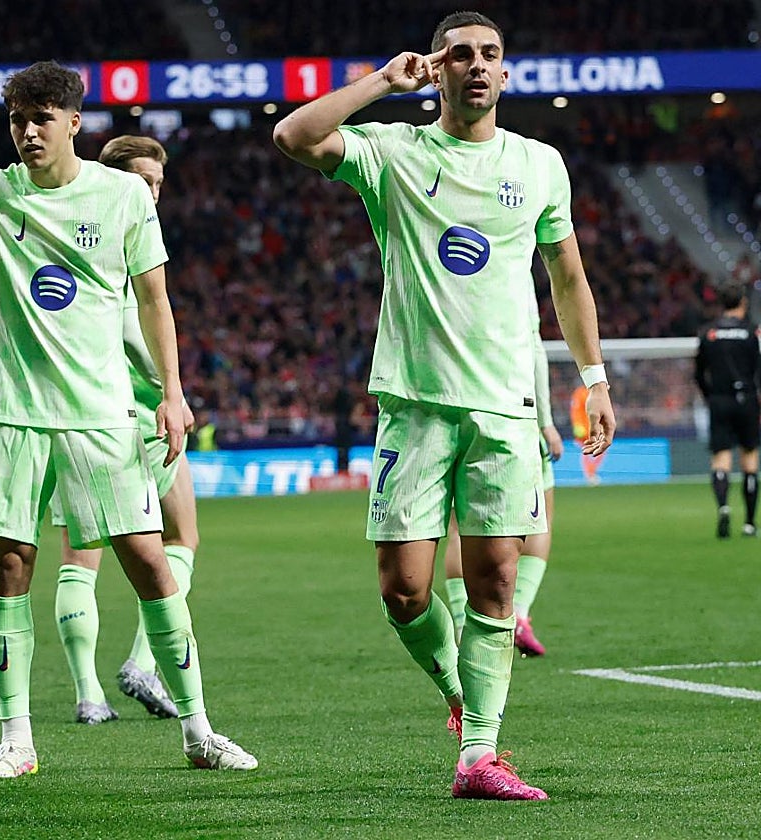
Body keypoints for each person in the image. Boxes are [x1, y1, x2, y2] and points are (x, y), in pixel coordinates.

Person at [274, 10, 615, 800]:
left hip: (503, 405)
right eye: (460, 54)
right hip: (416, 403)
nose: (477, 66)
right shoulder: (395, 151)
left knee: (496, 580)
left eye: (491, 54)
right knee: (404, 589)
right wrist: (380, 84)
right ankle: (462, 699)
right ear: (439, 68)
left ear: (506, 70)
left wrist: (594, 377)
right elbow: (294, 136)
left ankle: (481, 756)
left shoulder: (538, 164)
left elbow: (568, 276)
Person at [0, 60, 256, 777]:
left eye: (41, 119)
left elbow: (155, 301)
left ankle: (198, 731)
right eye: (18, 119)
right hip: (16, 419)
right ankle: (17, 740)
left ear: (74, 122)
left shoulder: (121, 195)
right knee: (10, 566)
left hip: (103, 414)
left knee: (150, 561)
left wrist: (173, 392)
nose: (27, 132)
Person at [48, 135, 196, 725]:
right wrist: (170, 389)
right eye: (143, 181)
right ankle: (142, 662)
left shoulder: (76, 231)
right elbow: (139, 329)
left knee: (80, 553)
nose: (152, 192)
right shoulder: (126, 240)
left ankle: (87, 695)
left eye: (158, 183)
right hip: (136, 415)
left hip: (77, 415)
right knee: (180, 539)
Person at [443, 312, 564, 656]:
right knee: (537, 517)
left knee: (457, 526)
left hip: (451, 400)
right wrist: (546, 421)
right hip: (510, 407)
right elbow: (534, 348)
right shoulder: (513, 264)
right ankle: (520, 613)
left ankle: (461, 622)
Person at [694, 282, 761, 538]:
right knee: (750, 460)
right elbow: (758, 369)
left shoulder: (709, 332)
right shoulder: (750, 332)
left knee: (721, 459)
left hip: (719, 400)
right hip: (746, 399)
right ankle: (750, 523)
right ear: (743, 302)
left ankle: (723, 507)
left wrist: (709, 395)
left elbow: (699, 372)